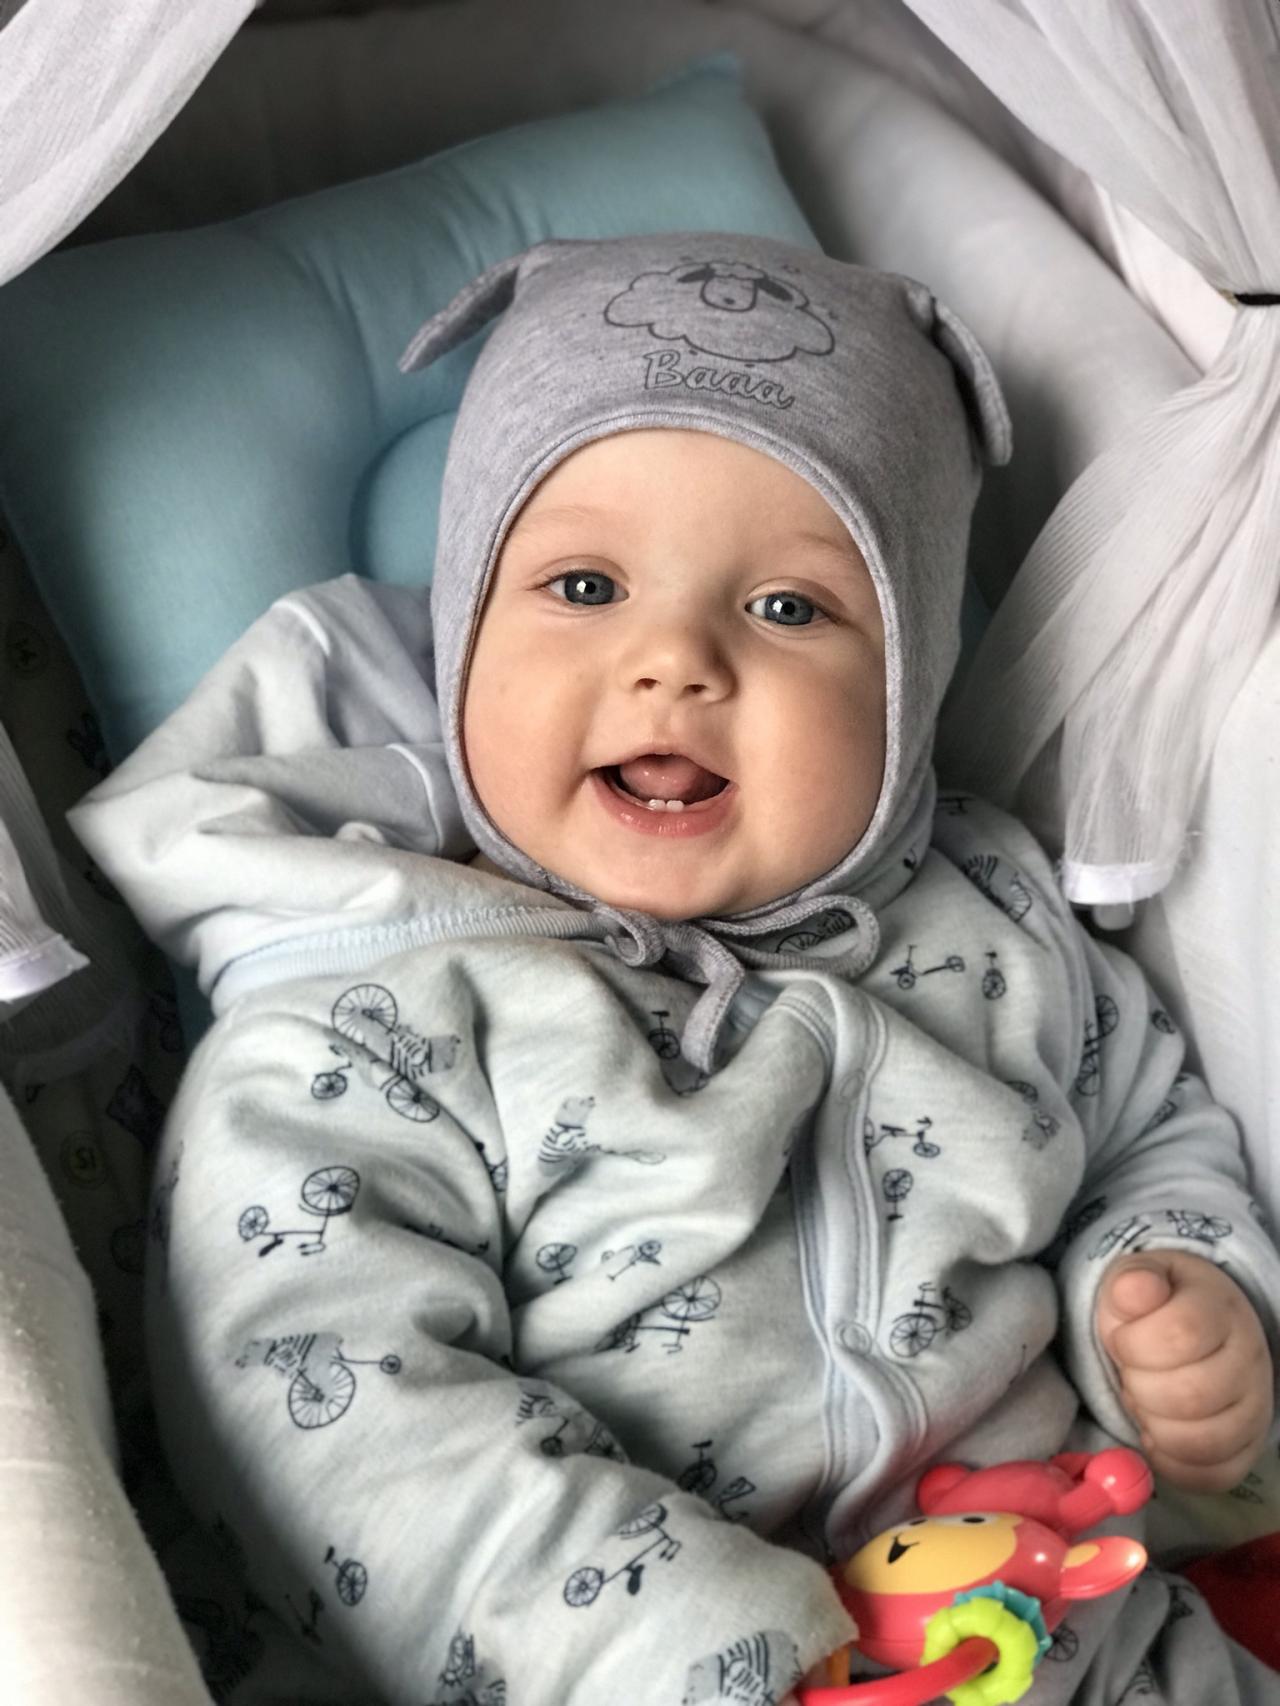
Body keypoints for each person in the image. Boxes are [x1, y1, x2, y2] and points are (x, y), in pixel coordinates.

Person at [71, 232, 1280, 1706]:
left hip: (1049, 1627)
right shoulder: (369, 1015)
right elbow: (322, 1406)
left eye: (789, 609)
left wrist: (1167, 1282)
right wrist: (692, 1654)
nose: (677, 661)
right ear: (461, 646)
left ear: (908, 693)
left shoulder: (997, 922)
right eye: (585, 585)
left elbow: (1145, 1129)